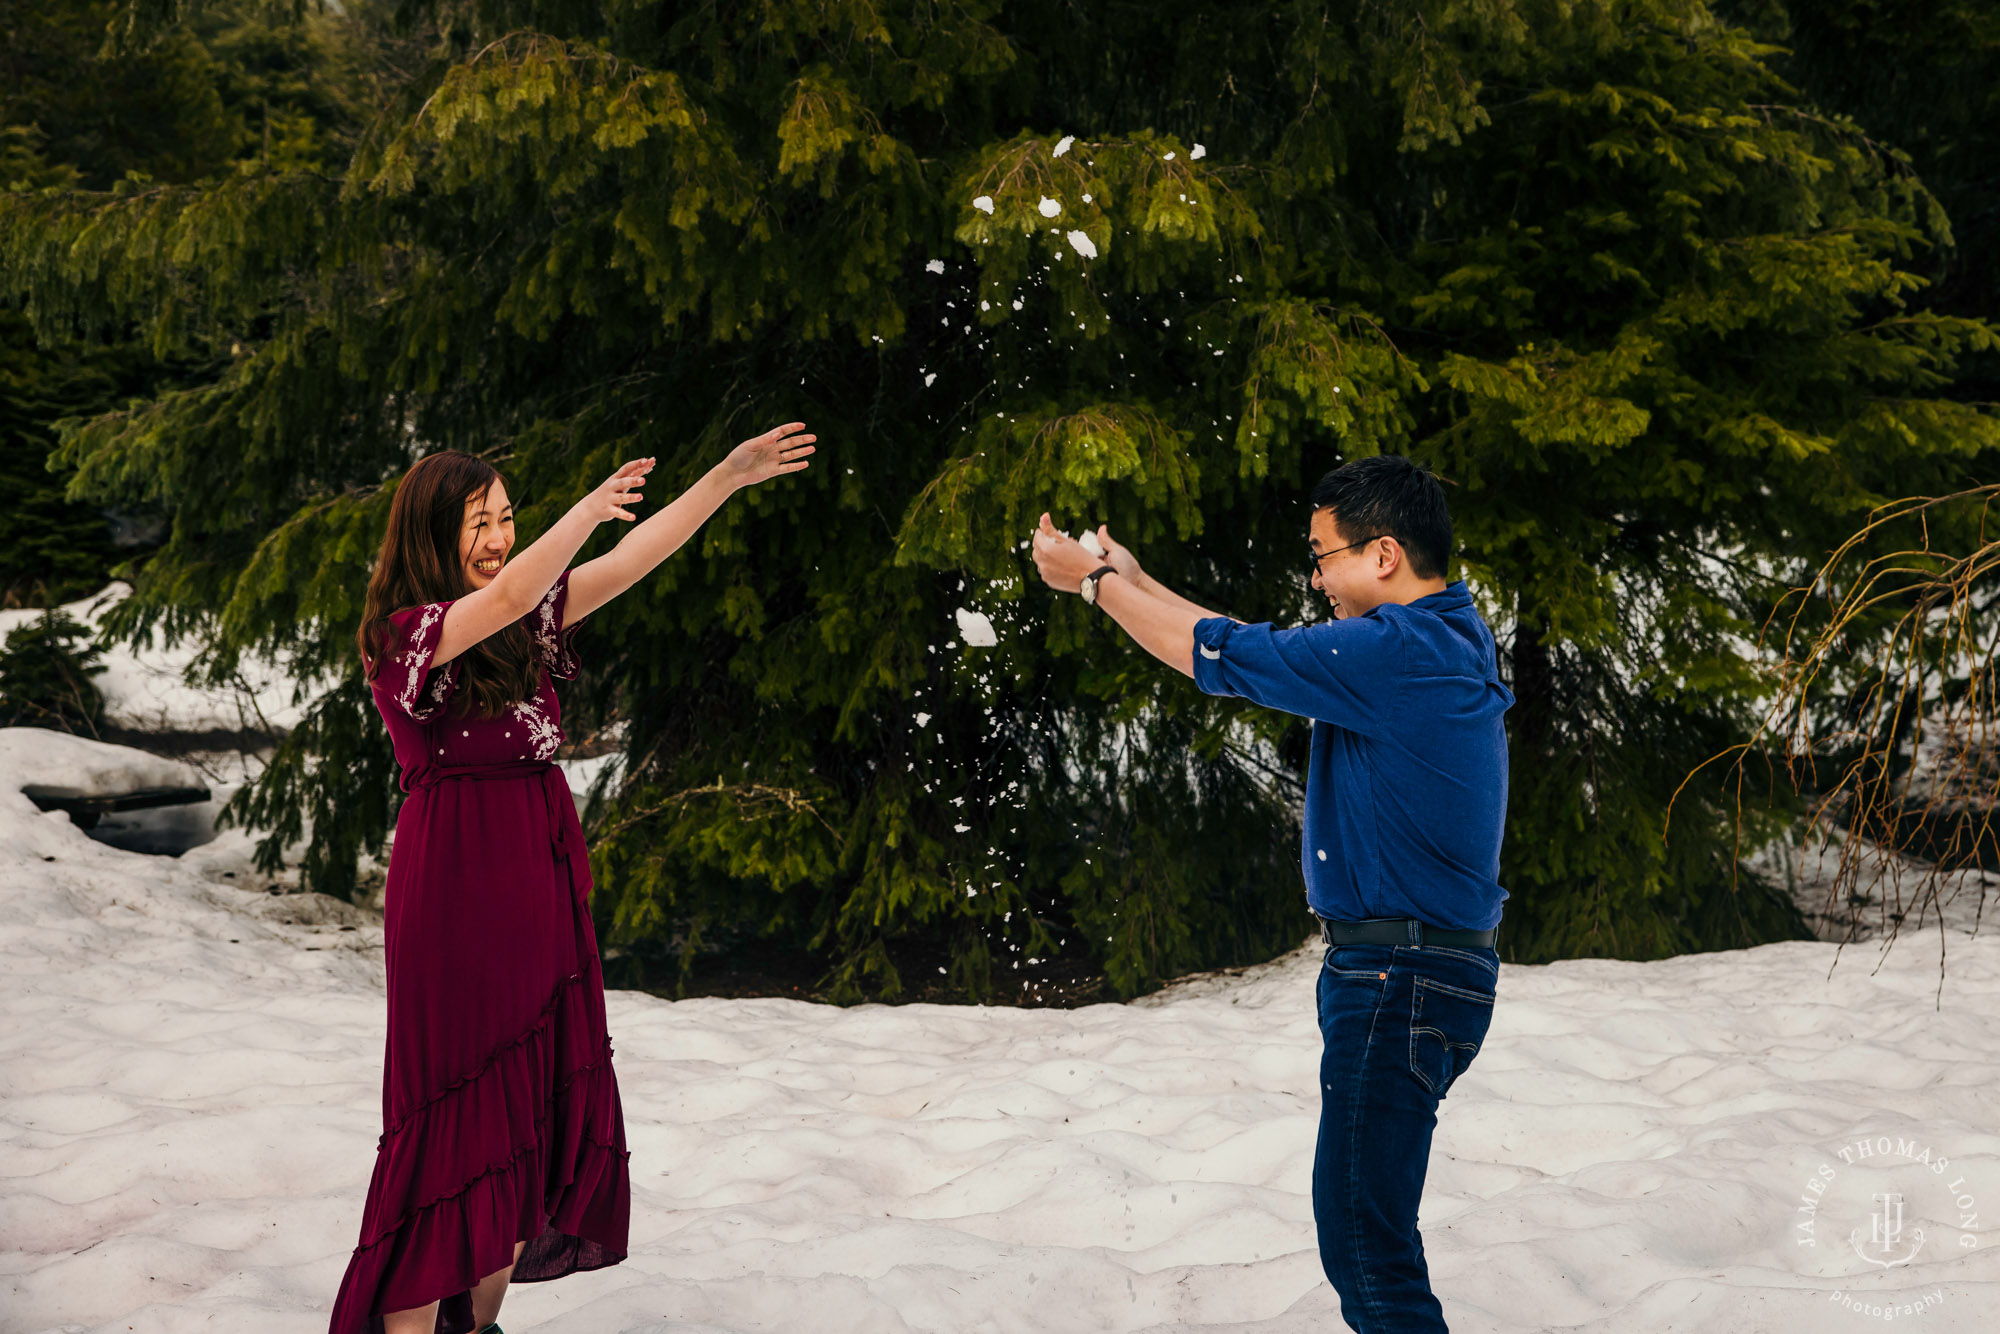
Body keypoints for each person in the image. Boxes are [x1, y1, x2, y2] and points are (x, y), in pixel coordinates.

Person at [330, 422, 817, 1334]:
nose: (499, 537)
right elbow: (518, 586)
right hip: (456, 889)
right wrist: (584, 508)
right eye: (479, 521)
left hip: (539, 886)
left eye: (507, 517)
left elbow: (631, 562)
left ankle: (472, 1326)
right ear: (431, 534)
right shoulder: (404, 636)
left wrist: (724, 476)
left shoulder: (522, 626)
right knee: (451, 1129)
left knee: (528, 1123)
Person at [1029, 453, 1512, 1333]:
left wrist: (1097, 586)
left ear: (1384, 555)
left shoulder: (1398, 653)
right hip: (1412, 971)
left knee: (1366, 1245)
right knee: (1368, 1231)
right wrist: (1141, 582)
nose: (1317, 576)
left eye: (1324, 555)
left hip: (1397, 978)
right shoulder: (1431, 638)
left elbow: (1225, 658)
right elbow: (1251, 647)